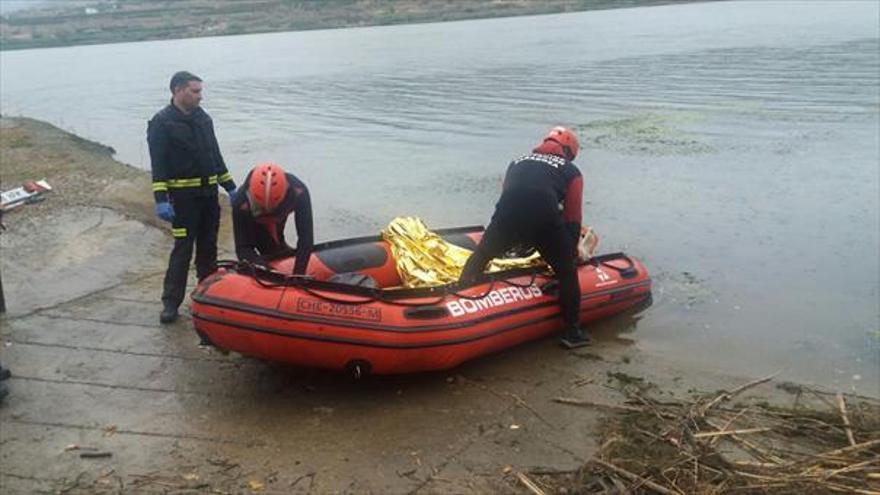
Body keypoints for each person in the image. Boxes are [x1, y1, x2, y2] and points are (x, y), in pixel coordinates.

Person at [459, 126, 591, 348]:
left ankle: (458, 297)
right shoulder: (571, 171)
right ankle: (573, 332)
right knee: (567, 272)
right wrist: (569, 248)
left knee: (481, 255)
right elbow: (573, 215)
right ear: (568, 151)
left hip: (506, 216)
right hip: (545, 219)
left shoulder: (516, 162)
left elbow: (509, 195)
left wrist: (511, 234)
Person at [148, 71, 237, 324]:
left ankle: (207, 296)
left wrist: (230, 188)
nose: (200, 96)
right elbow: (159, 165)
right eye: (195, 91)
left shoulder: (203, 119)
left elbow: (215, 157)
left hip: (209, 198)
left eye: (200, 91)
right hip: (182, 202)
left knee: (208, 249)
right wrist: (161, 199)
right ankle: (170, 303)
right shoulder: (161, 123)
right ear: (178, 90)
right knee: (182, 250)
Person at [232, 163, 314, 275]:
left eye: (272, 206)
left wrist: (298, 274)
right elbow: (243, 247)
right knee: (268, 249)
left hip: (279, 217)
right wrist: (268, 273)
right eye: (262, 207)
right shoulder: (241, 202)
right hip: (256, 223)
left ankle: (280, 247)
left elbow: (306, 236)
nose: (268, 210)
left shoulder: (298, 190)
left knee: (279, 247)